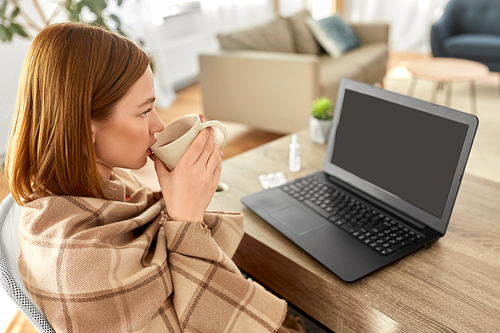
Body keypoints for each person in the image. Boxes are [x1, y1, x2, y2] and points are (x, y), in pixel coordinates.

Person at [5, 22, 305, 333]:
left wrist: (183, 206)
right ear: (85, 127)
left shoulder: (102, 182)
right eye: (145, 111)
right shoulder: (76, 265)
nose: (159, 125)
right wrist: (186, 219)